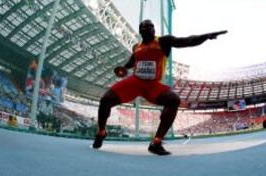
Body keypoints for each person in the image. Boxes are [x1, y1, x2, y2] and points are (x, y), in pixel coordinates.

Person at [92, 19, 227, 155]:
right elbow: (132, 61)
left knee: (173, 100)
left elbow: (186, 41)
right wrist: (124, 68)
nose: (151, 28)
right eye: (147, 27)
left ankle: (156, 143)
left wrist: (205, 36)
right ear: (141, 31)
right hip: (135, 81)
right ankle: (101, 132)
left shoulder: (163, 41)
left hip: (152, 85)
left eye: (152, 26)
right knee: (105, 100)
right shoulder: (137, 47)